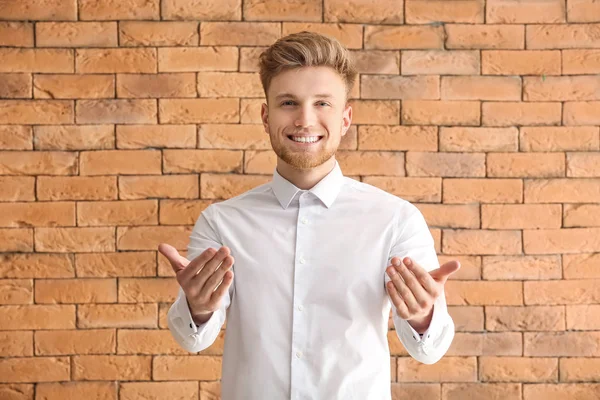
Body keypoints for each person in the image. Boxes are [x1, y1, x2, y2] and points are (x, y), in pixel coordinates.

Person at [160, 31, 461, 400]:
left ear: (345, 118)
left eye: (322, 103)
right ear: (266, 116)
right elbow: (192, 340)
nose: (305, 120)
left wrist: (421, 315)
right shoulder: (221, 222)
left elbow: (429, 350)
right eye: (289, 102)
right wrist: (198, 307)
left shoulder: (396, 220)